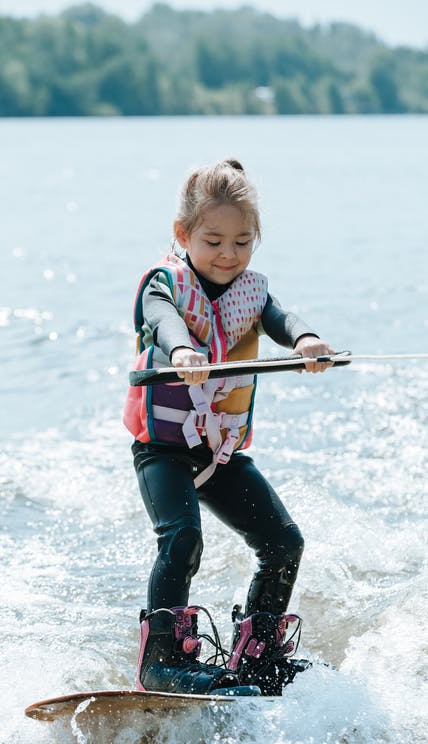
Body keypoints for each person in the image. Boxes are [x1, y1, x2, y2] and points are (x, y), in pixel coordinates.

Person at [123, 158, 334, 697]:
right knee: (182, 537)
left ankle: (257, 652)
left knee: (284, 541)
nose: (228, 254)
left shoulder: (253, 293)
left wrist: (306, 340)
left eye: (242, 242)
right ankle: (162, 659)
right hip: (163, 452)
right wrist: (181, 348)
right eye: (214, 240)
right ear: (183, 234)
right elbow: (162, 318)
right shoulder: (162, 284)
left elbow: (281, 319)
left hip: (219, 454)